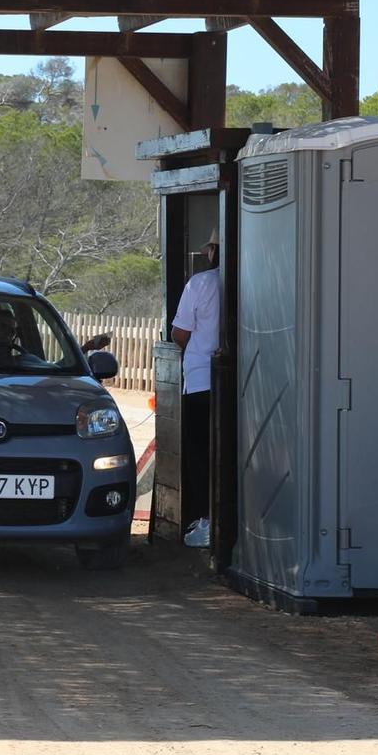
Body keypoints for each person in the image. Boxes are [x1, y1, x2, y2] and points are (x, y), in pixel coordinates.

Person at [170, 230, 221, 548]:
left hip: (202, 380)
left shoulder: (201, 284)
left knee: (200, 454)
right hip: (244, 384)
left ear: (214, 251)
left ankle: (205, 520)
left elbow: (180, 333)